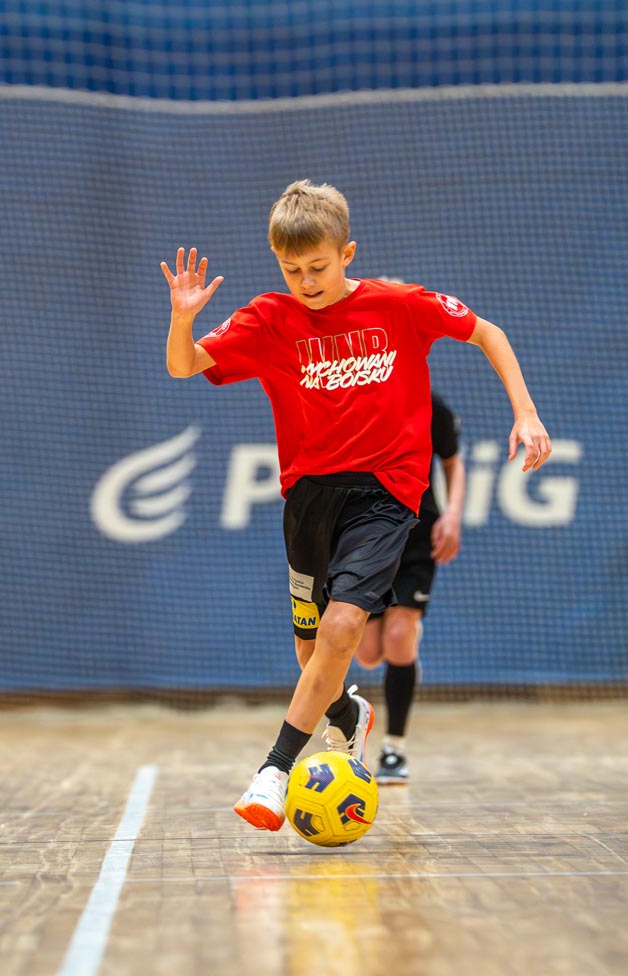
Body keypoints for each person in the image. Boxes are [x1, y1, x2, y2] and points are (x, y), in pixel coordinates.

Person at [161, 179, 552, 833]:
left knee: (344, 628)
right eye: (292, 270)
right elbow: (184, 366)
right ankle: (349, 715)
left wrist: (527, 413)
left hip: (386, 492)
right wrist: (183, 317)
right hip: (308, 500)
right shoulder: (268, 319)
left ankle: (273, 771)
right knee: (311, 652)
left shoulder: (398, 306)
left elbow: (488, 332)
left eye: (318, 267)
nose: (306, 281)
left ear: (347, 253)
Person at [355, 392, 465, 784]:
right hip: (366, 532)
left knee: (399, 636)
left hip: (417, 532)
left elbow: (452, 463)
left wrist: (453, 515)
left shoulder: (431, 405)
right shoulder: (358, 397)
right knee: (369, 653)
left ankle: (394, 749)